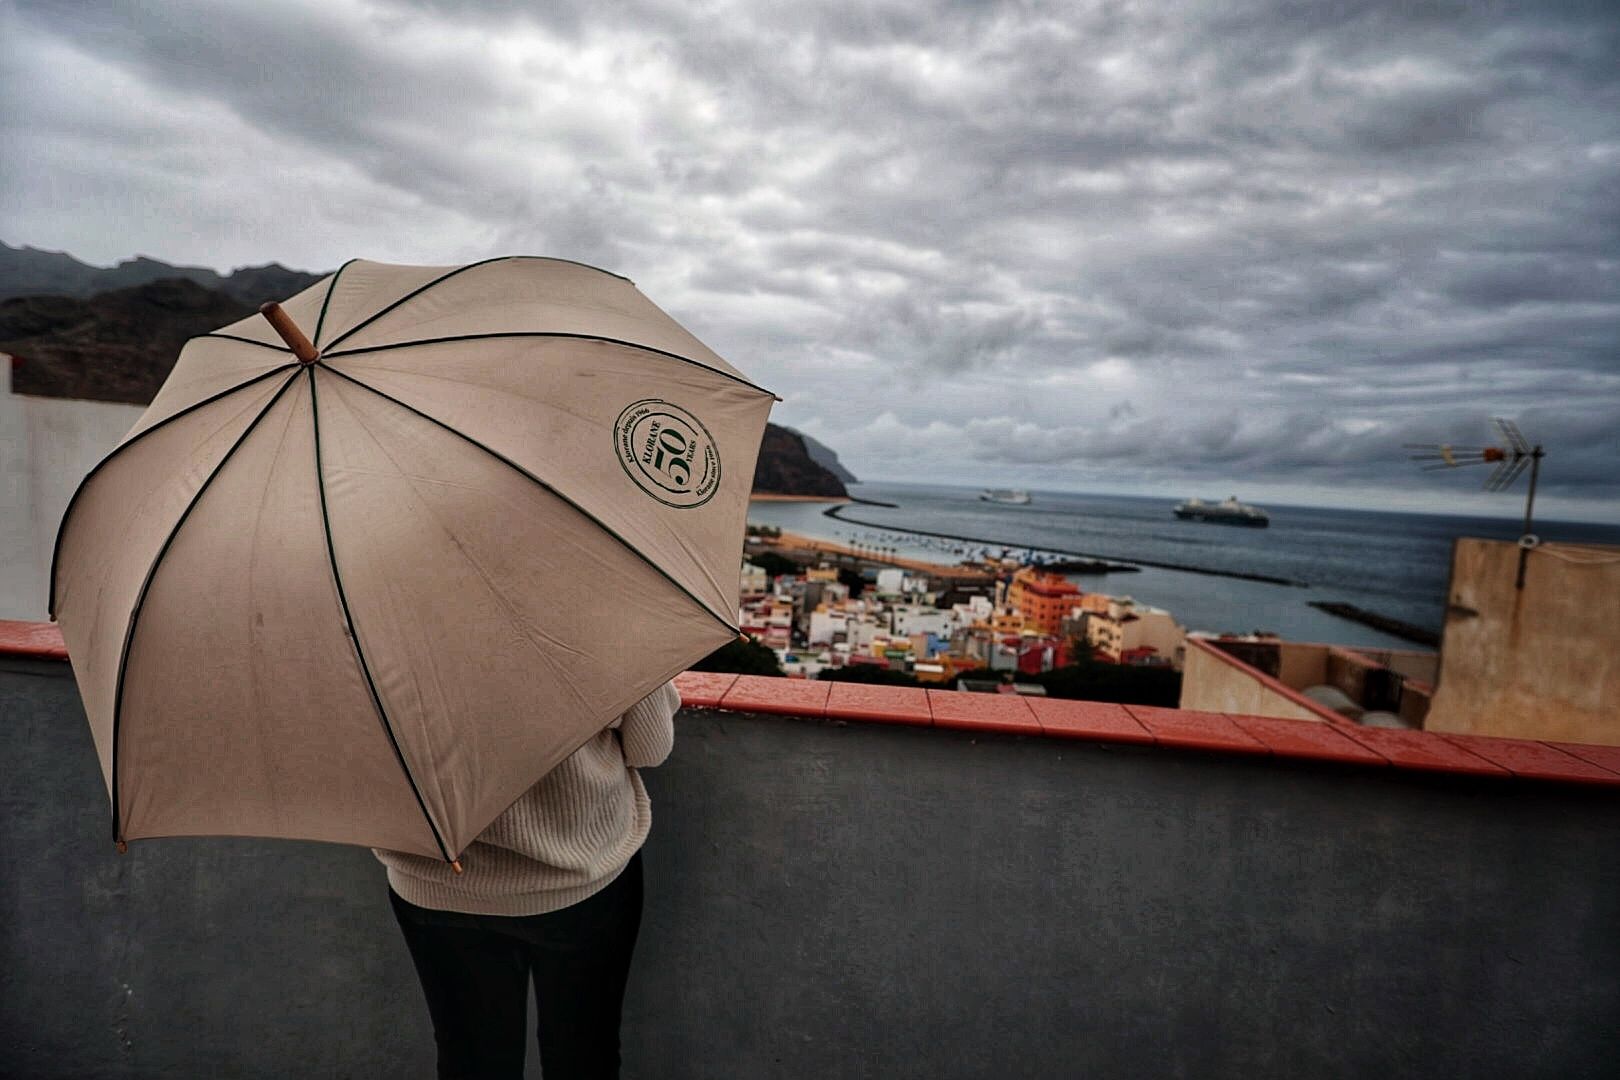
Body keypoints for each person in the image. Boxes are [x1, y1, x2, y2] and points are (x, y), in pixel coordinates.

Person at [375, 680, 681, 1079]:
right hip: (577, 880)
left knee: (471, 1061)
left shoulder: (374, 621)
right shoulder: (602, 617)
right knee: (582, 1054)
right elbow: (650, 748)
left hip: (432, 882)